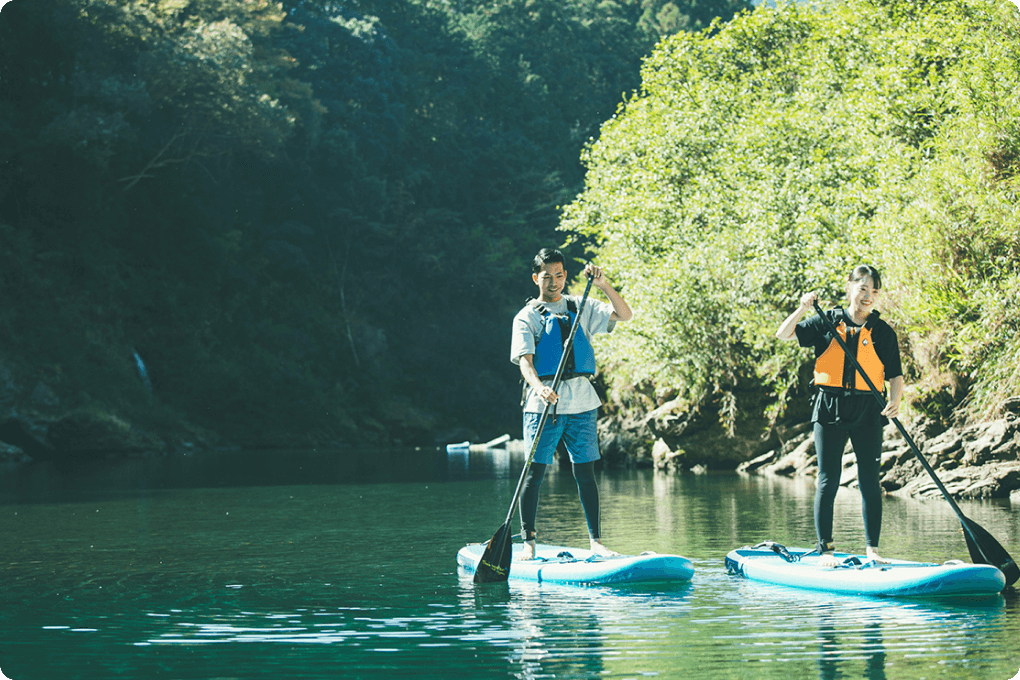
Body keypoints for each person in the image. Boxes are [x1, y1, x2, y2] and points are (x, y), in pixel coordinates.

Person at [776, 265, 903, 566]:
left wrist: (895, 401)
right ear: (850, 288)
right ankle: (826, 551)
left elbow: (895, 375)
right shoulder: (826, 321)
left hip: (868, 410)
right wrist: (803, 307)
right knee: (828, 480)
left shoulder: (883, 332)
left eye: (873, 291)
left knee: (871, 481)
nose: (867, 296)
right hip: (829, 408)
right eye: (862, 289)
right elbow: (783, 334)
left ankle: (873, 550)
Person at [510, 248, 633, 560]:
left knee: (585, 474)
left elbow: (625, 314)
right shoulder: (526, 317)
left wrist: (604, 284)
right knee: (534, 473)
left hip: (581, 404)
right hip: (543, 407)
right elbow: (525, 363)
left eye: (560, 275)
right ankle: (528, 542)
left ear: (565, 275)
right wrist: (539, 388)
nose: (554, 282)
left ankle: (596, 542)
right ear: (536, 278)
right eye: (547, 277)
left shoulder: (581, 306)